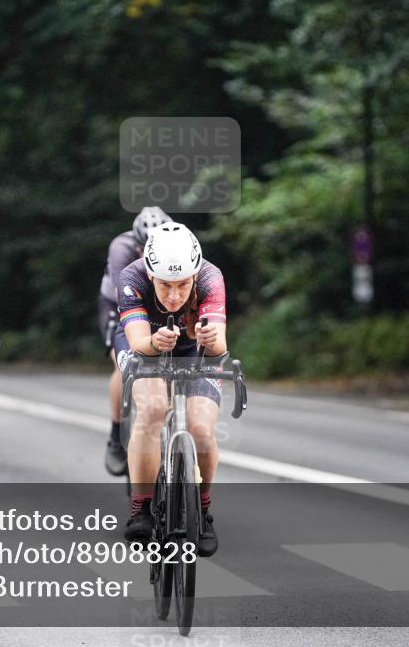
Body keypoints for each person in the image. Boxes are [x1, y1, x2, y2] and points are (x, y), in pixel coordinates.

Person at [115, 223, 227, 557]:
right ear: (150, 275)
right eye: (165, 285)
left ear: (195, 275)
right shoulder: (131, 277)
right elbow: (137, 344)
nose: (175, 296)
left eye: (183, 285)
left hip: (195, 351)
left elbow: (220, 346)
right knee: (151, 410)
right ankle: (141, 509)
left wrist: (210, 339)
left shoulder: (210, 277)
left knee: (202, 429)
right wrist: (153, 342)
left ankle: (203, 513)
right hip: (146, 344)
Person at [98, 207, 173, 476]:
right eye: (143, 248)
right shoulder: (122, 247)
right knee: (122, 365)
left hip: (161, 299)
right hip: (117, 301)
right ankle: (116, 433)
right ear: (137, 244)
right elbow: (125, 295)